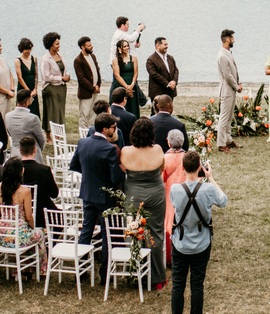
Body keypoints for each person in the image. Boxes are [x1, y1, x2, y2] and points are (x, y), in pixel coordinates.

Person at [168, 151, 228, 314]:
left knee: (178, 285)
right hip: (202, 243)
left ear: (183, 167)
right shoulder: (208, 189)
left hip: (180, 243)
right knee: (197, 285)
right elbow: (223, 201)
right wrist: (211, 178)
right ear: (200, 167)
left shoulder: (175, 189)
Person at [70, 113, 125, 279]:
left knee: (86, 230)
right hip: (105, 197)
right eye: (113, 128)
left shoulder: (82, 142)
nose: (115, 131)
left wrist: (89, 175)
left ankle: (81, 269)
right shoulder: (109, 149)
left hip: (87, 193)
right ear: (105, 129)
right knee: (106, 234)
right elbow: (115, 179)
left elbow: (74, 165)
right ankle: (105, 273)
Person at [123, 118, 168, 290]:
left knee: (134, 232)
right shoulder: (157, 149)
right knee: (155, 233)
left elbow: (123, 168)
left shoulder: (126, 151)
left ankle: (135, 274)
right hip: (155, 193)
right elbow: (162, 168)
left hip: (133, 194)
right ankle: (157, 277)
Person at [0, 157, 44, 261]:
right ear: (20, 172)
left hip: (2, 236)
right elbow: (29, 217)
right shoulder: (25, 191)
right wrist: (33, 228)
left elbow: (0, 206)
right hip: (18, 237)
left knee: (28, 234)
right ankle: (39, 267)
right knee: (40, 234)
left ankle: (26, 265)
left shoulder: (0, 187)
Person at [19, 135, 59, 229]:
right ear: (35, 150)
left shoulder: (14, 170)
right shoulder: (44, 170)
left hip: (20, 214)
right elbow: (54, 194)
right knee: (60, 219)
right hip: (43, 215)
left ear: (20, 151)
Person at [162, 130, 188, 265]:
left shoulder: (164, 158)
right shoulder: (188, 157)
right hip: (185, 194)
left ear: (168, 142)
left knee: (168, 224)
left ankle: (169, 256)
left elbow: (161, 179)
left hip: (169, 194)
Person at [39, 31, 71, 135]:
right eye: (57, 44)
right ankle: (49, 135)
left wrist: (67, 76)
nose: (59, 45)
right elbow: (46, 77)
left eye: (59, 43)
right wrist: (61, 78)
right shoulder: (45, 59)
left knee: (60, 111)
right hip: (50, 88)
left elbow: (62, 70)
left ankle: (59, 134)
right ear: (50, 45)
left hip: (61, 87)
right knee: (51, 112)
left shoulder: (60, 56)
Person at [216, 29, 242, 153]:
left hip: (231, 89)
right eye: (232, 38)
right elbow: (227, 76)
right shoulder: (222, 56)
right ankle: (221, 144)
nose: (234, 40)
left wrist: (238, 83)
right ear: (227, 40)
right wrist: (237, 87)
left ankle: (228, 140)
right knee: (224, 117)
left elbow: (233, 71)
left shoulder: (227, 53)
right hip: (226, 91)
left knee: (229, 117)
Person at [5, 88, 46, 164]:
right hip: (31, 155)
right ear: (27, 102)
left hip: (15, 153)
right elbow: (41, 139)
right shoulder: (33, 118)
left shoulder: (7, 116)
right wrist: (38, 150)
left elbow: (10, 133)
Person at [111, 37, 146, 119]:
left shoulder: (133, 58)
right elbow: (117, 75)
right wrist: (126, 87)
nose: (127, 48)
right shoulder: (115, 60)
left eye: (127, 46)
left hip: (132, 85)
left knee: (133, 106)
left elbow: (136, 73)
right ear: (119, 48)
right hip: (121, 85)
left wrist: (132, 85)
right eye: (124, 46)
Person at [74, 36, 102, 133]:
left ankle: (92, 133)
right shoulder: (78, 60)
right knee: (85, 114)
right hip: (86, 92)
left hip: (95, 90)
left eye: (91, 44)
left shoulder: (93, 56)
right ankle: (84, 135)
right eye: (89, 45)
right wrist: (92, 88)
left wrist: (98, 85)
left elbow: (97, 71)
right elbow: (81, 79)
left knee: (94, 114)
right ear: (82, 47)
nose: (91, 46)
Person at [147, 36, 180, 102]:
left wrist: (174, 81)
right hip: (158, 92)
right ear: (157, 46)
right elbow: (154, 74)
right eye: (165, 44)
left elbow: (176, 70)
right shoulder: (151, 60)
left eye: (167, 44)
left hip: (170, 91)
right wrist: (167, 84)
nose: (167, 46)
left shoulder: (170, 58)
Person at [15, 38, 41, 121]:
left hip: (33, 87)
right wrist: (28, 91)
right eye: (26, 49)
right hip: (23, 88)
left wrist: (35, 89)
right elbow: (19, 77)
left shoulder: (34, 58)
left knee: (34, 110)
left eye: (30, 49)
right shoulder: (18, 60)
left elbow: (36, 74)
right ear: (22, 49)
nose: (29, 51)